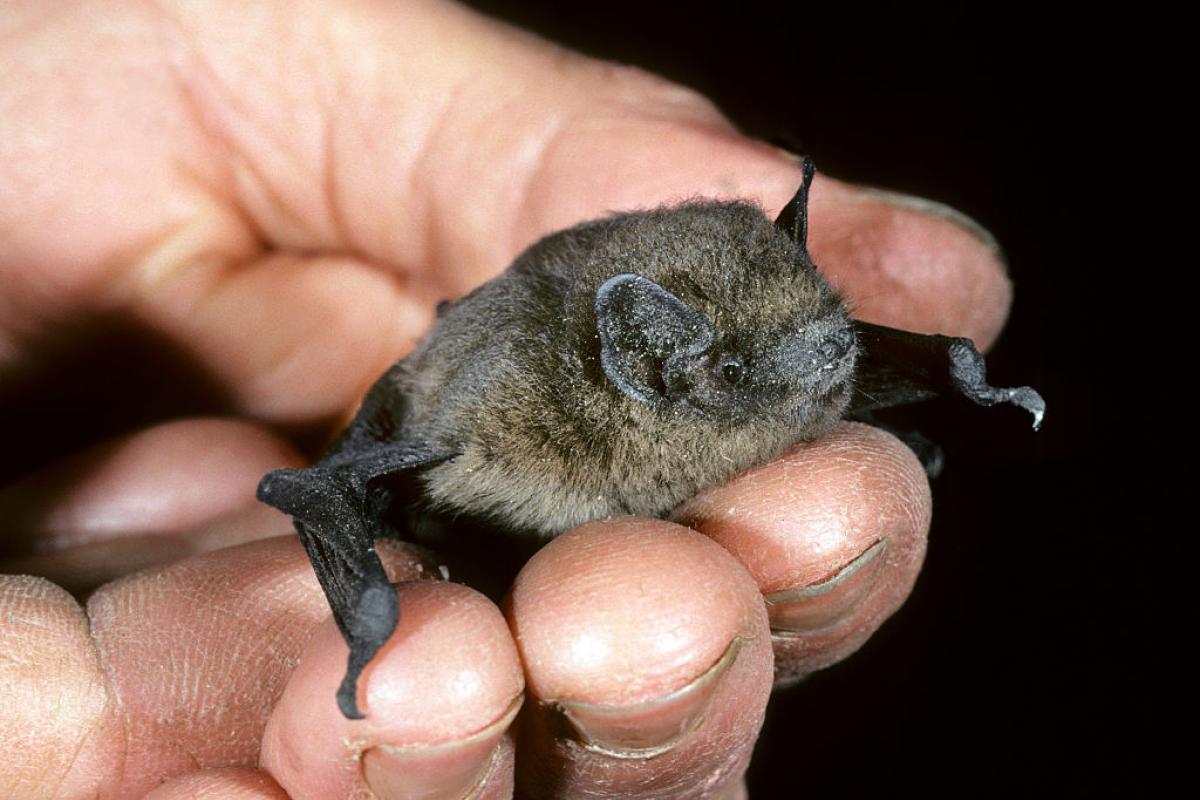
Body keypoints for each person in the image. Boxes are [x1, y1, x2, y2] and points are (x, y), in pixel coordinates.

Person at [0, 1, 1011, 797]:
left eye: (824, 317)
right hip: (473, 464)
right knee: (514, 626)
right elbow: (385, 457)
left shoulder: (794, 344)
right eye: (751, 367)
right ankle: (403, 625)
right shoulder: (506, 419)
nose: (832, 354)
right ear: (657, 373)